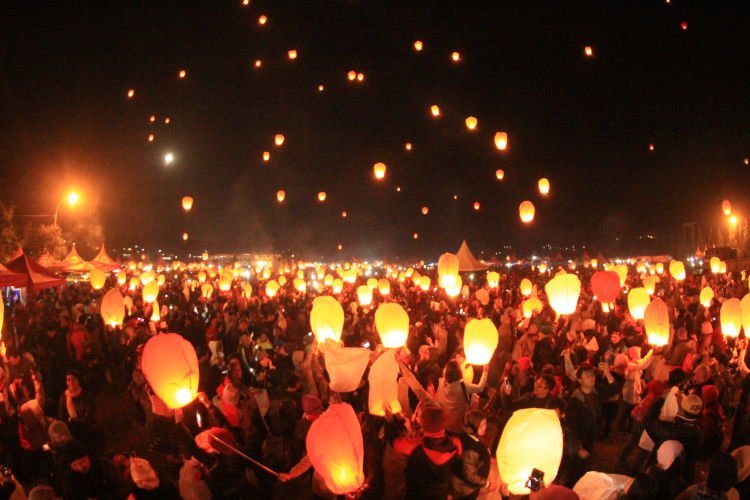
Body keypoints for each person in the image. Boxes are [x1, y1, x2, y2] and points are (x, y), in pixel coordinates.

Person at [392, 400, 463, 500]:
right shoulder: (456, 443)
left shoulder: (414, 446)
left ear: (423, 423)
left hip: (417, 493)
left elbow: (396, 443)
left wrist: (406, 428)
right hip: (440, 494)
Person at [59, 440, 130, 500]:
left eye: (82, 462)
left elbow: (122, 489)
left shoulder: (105, 466)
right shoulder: (68, 479)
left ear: (87, 456)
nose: (80, 468)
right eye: (75, 465)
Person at [451, 409, 492, 499]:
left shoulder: (470, 437)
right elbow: (469, 475)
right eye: (481, 426)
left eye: (485, 424)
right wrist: (486, 483)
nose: (484, 428)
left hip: (469, 486)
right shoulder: (471, 449)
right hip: (466, 489)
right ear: (472, 427)